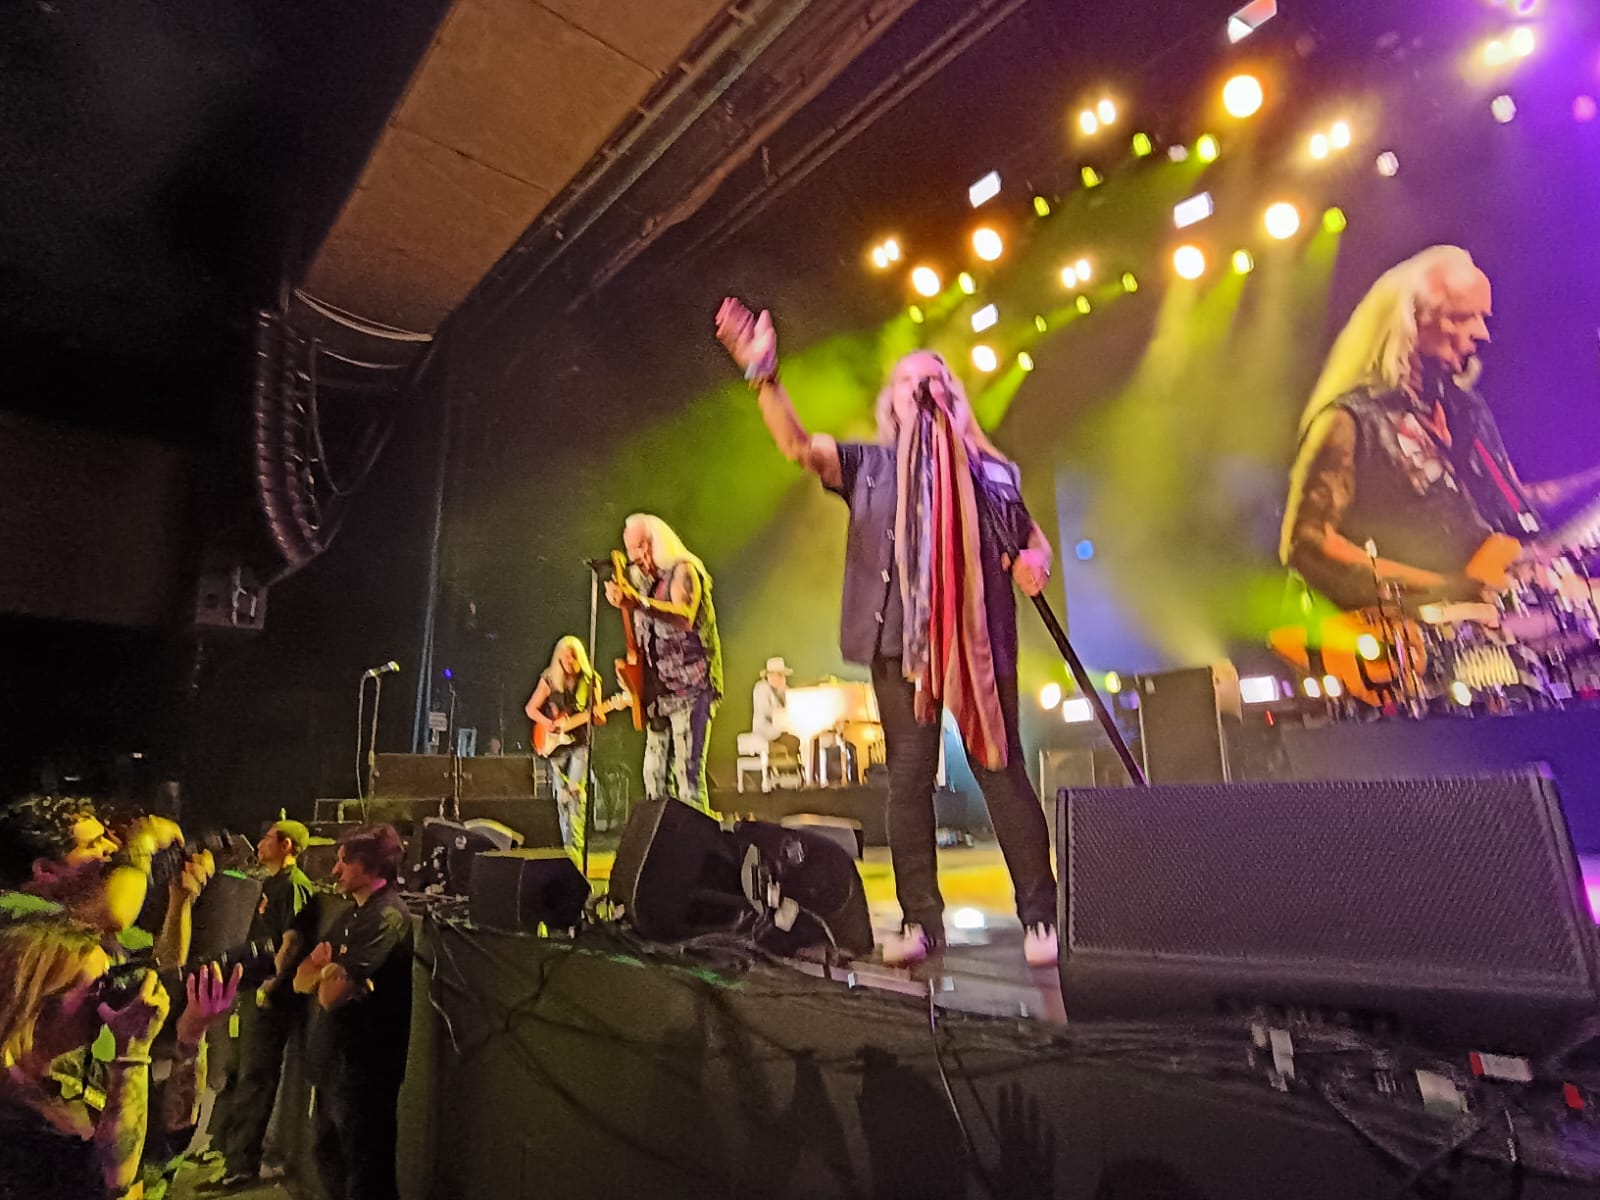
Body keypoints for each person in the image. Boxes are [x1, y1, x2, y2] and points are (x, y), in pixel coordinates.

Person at [715, 298, 1059, 968]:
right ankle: (921, 920)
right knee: (908, 778)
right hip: (900, 645)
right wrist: (765, 377)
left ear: (952, 397)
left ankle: (1040, 915)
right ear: (892, 403)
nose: (921, 387)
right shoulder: (869, 466)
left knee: (1001, 770)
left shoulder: (990, 472)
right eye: (907, 380)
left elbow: (1030, 536)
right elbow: (798, 447)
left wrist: (1036, 558)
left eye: (933, 378)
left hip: (978, 645)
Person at [1280, 245, 1590, 612]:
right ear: (1411, 321)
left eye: (1483, 318)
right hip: (1410, 632)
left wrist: (1592, 483)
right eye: (1461, 317)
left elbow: (1514, 497)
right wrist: (1446, 588)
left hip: (1495, 623)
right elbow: (1308, 543)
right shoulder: (1350, 421)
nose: (1481, 334)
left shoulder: (1467, 411)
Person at [0, 916, 239, 1200]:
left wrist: (191, 1036)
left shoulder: (75, 1071)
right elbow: (112, 1181)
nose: (107, 999)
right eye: (97, 988)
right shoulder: (10, 1111)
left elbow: (171, 1130)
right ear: (38, 997)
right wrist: (132, 1051)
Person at [294, 824, 412, 1200]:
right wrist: (326, 972)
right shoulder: (350, 915)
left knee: (366, 1172)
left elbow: (330, 996)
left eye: (344, 861)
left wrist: (328, 973)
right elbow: (300, 980)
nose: (335, 870)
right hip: (333, 1065)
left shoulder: (386, 916)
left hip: (365, 1070)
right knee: (329, 1156)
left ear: (370, 865)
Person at [205, 820, 314, 1191]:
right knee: (237, 1069)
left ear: (287, 845)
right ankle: (223, 1147)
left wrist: (270, 984)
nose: (261, 843)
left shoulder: (295, 885)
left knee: (255, 1077)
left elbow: (292, 941)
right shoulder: (272, 882)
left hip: (271, 998)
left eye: (268, 838)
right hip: (253, 990)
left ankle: (242, 1164)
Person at [0, 794, 211, 965]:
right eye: (93, 844)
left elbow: (164, 967)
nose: (111, 848)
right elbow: (114, 914)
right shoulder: (14, 912)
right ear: (45, 870)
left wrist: (180, 900)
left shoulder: (94, 922)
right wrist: (141, 844)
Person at [604, 514, 723, 812]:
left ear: (656, 542)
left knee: (687, 778)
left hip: (690, 687)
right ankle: (663, 837)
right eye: (633, 550)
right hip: (658, 694)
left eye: (642, 547)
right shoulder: (642, 582)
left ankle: (698, 839)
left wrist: (638, 602)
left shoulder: (684, 571)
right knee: (653, 776)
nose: (638, 557)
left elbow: (684, 616)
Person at [525, 636, 604, 861]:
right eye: (565, 656)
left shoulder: (591, 680)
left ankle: (577, 851)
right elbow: (531, 708)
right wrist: (548, 723)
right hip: (556, 748)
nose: (569, 660)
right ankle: (569, 851)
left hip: (580, 745)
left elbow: (598, 717)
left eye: (573, 656)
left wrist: (600, 715)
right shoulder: (550, 679)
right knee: (562, 799)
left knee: (576, 794)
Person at [750, 656, 803, 767]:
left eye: (782, 675)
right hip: (767, 731)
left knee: (802, 738)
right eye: (779, 675)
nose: (782, 678)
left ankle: (800, 767)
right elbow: (767, 712)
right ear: (769, 675)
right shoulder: (761, 688)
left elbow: (793, 706)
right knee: (795, 741)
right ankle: (792, 767)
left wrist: (783, 691)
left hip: (781, 730)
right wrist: (785, 716)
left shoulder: (781, 689)